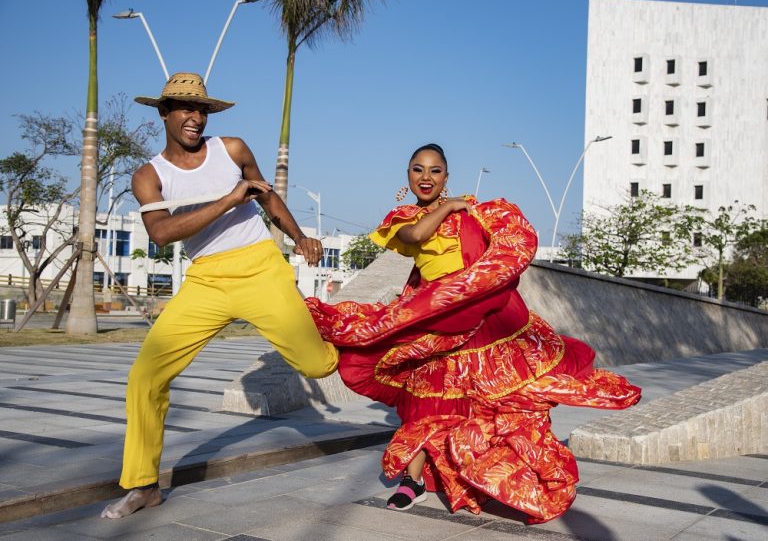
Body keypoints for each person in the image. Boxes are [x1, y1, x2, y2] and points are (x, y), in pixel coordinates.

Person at [306, 143, 641, 522]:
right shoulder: (402, 216)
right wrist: (448, 208)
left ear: (446, 177)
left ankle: (485, 476)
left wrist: (483, 256)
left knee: (488, 402)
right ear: (408, 177)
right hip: (433, 323)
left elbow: (512, 244)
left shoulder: (477, 213)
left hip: (481, 321)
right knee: (423, 404)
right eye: (418, 170)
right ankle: (411, 481)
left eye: (435, 171)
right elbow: (415, 237)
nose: (426, 177)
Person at [101, 72, 338, 519]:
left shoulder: (232, 149)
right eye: (185, 108)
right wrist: (230, 199)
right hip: (206, 281)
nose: (195, 117)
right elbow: (162, 234)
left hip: (260, 269)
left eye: (202, 109)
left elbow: (266, 197)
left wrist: (299, 237)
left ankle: (351, 328)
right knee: (145, 378)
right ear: (163, 112)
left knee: (317, 364)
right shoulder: (150, 175)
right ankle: (144, 485)